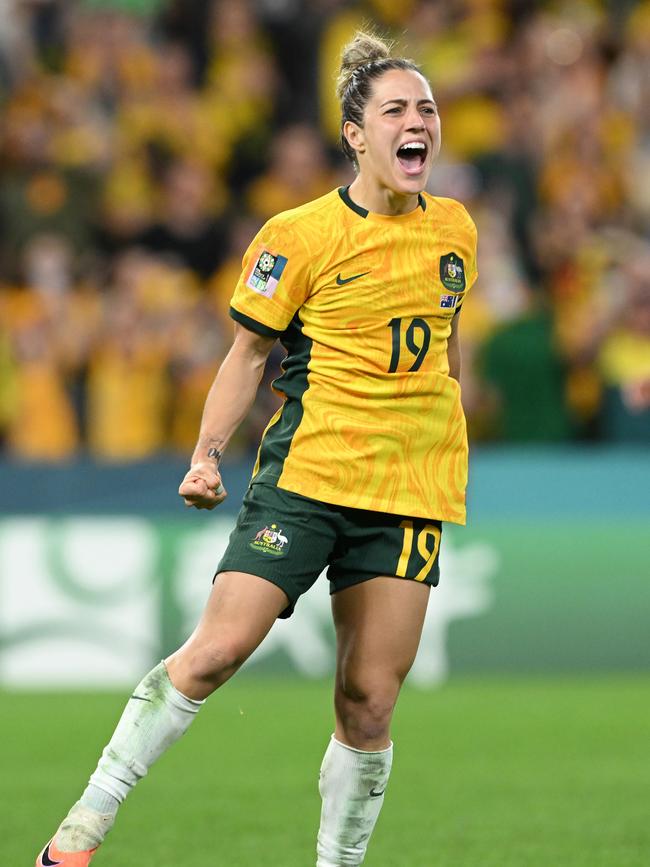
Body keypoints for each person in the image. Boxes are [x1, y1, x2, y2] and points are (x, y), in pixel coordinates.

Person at [36, 29, 478, 867]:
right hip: (308, 476)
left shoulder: (456, 230)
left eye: (427, 107)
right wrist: (206, 453)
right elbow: (247, 355)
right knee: (217, 651)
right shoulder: (298, 235)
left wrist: (451, 427)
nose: (417, 120)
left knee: (369, 699)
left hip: (410, 490)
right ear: (357, 133)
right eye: (396, 109)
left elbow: (444, 348)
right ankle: (82, 827)